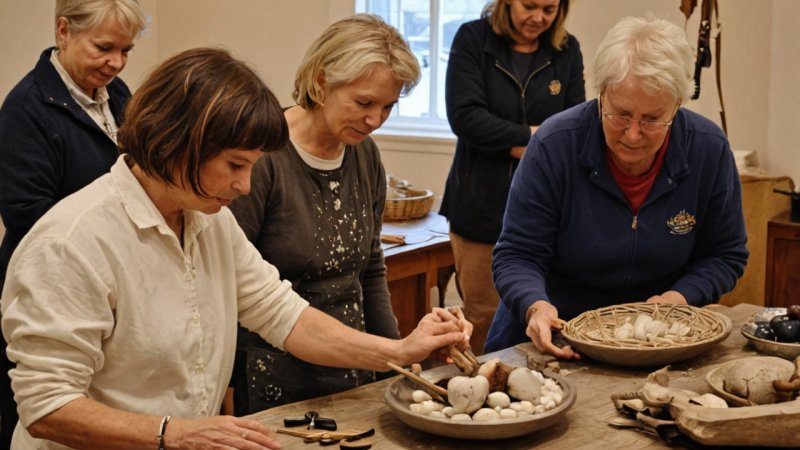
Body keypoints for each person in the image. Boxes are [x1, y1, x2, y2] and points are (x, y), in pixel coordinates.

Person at [0, 47, 470, 450]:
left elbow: (285, 316)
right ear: (176, 144)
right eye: (235, 165)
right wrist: (175, 433)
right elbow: (47, 407)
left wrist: (401, 349)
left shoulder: (210, 220)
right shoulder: (70, 243)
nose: (245, 186)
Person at [484, 16, 748, 357]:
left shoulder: (708, 149)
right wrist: (535, 306)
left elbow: (725, 254)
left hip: (656, 337)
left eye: (653, 119)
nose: (633, 133)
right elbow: (517, 254)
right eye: (620, 114)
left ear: (678, 105)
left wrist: (676, 301)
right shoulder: (555, 144)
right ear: (601, 95)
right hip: (554, 334)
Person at [227, 14, 420, 415]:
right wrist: (226, 385)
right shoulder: (263, 157)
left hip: (353, 365)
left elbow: (370, 266)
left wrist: (395, 363)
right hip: (272, 379)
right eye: (364, 102)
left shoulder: (365, 154)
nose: (375, 120)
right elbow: (229, 286)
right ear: (320, 82)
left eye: (388, 106)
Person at [0, 0, 147, 446]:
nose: (116, 63)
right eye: (104, 47)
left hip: (108, 278)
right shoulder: (26, 109)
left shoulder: (118, 94)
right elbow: (29, 217)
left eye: (125, 51)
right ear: (64, 31)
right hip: (53, 290)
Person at [439, 0, 585, 355]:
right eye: (529, 6)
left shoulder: (567, 50)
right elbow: (466, 118)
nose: (538, 18)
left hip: (549, 207)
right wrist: (536, 140)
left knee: (546, 313)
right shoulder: (473, 38)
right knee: (484, 316)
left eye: (549, 9)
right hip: (480, 205)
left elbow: (577, 126)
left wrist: (518, 142)